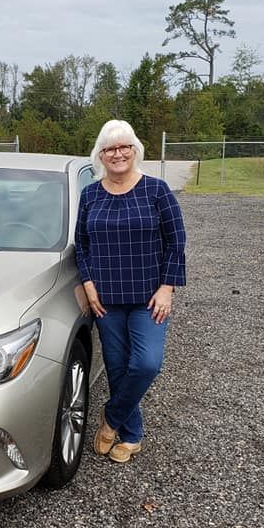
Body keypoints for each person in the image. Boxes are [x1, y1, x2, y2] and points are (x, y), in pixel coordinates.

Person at [75, 119, 186, 463]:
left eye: (124, 146)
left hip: (148, 297)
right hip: (106, 299)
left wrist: (167, 287)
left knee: (147, 363)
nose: (118, 153)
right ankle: (132, 435)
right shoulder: (90, 194)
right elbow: (82, 244)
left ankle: (110, 419)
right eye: (110, 148)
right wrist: (88, 284)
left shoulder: (157, 191)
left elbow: (176, 242)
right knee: (116, 366)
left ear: (135, 150)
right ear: (100, 155)